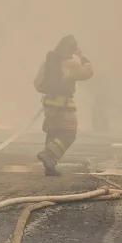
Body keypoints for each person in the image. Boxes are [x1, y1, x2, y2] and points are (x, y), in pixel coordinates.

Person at [33, 35, 93, 176]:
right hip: (63, 106)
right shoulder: (69, 63)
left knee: (53, 133)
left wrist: (51, 90)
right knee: (68, 134)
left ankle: (50, 166)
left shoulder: (47, 63)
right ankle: (48, 155)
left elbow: (38, 84)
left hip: (49, 106)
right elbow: (88, 72)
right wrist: (82, 57)